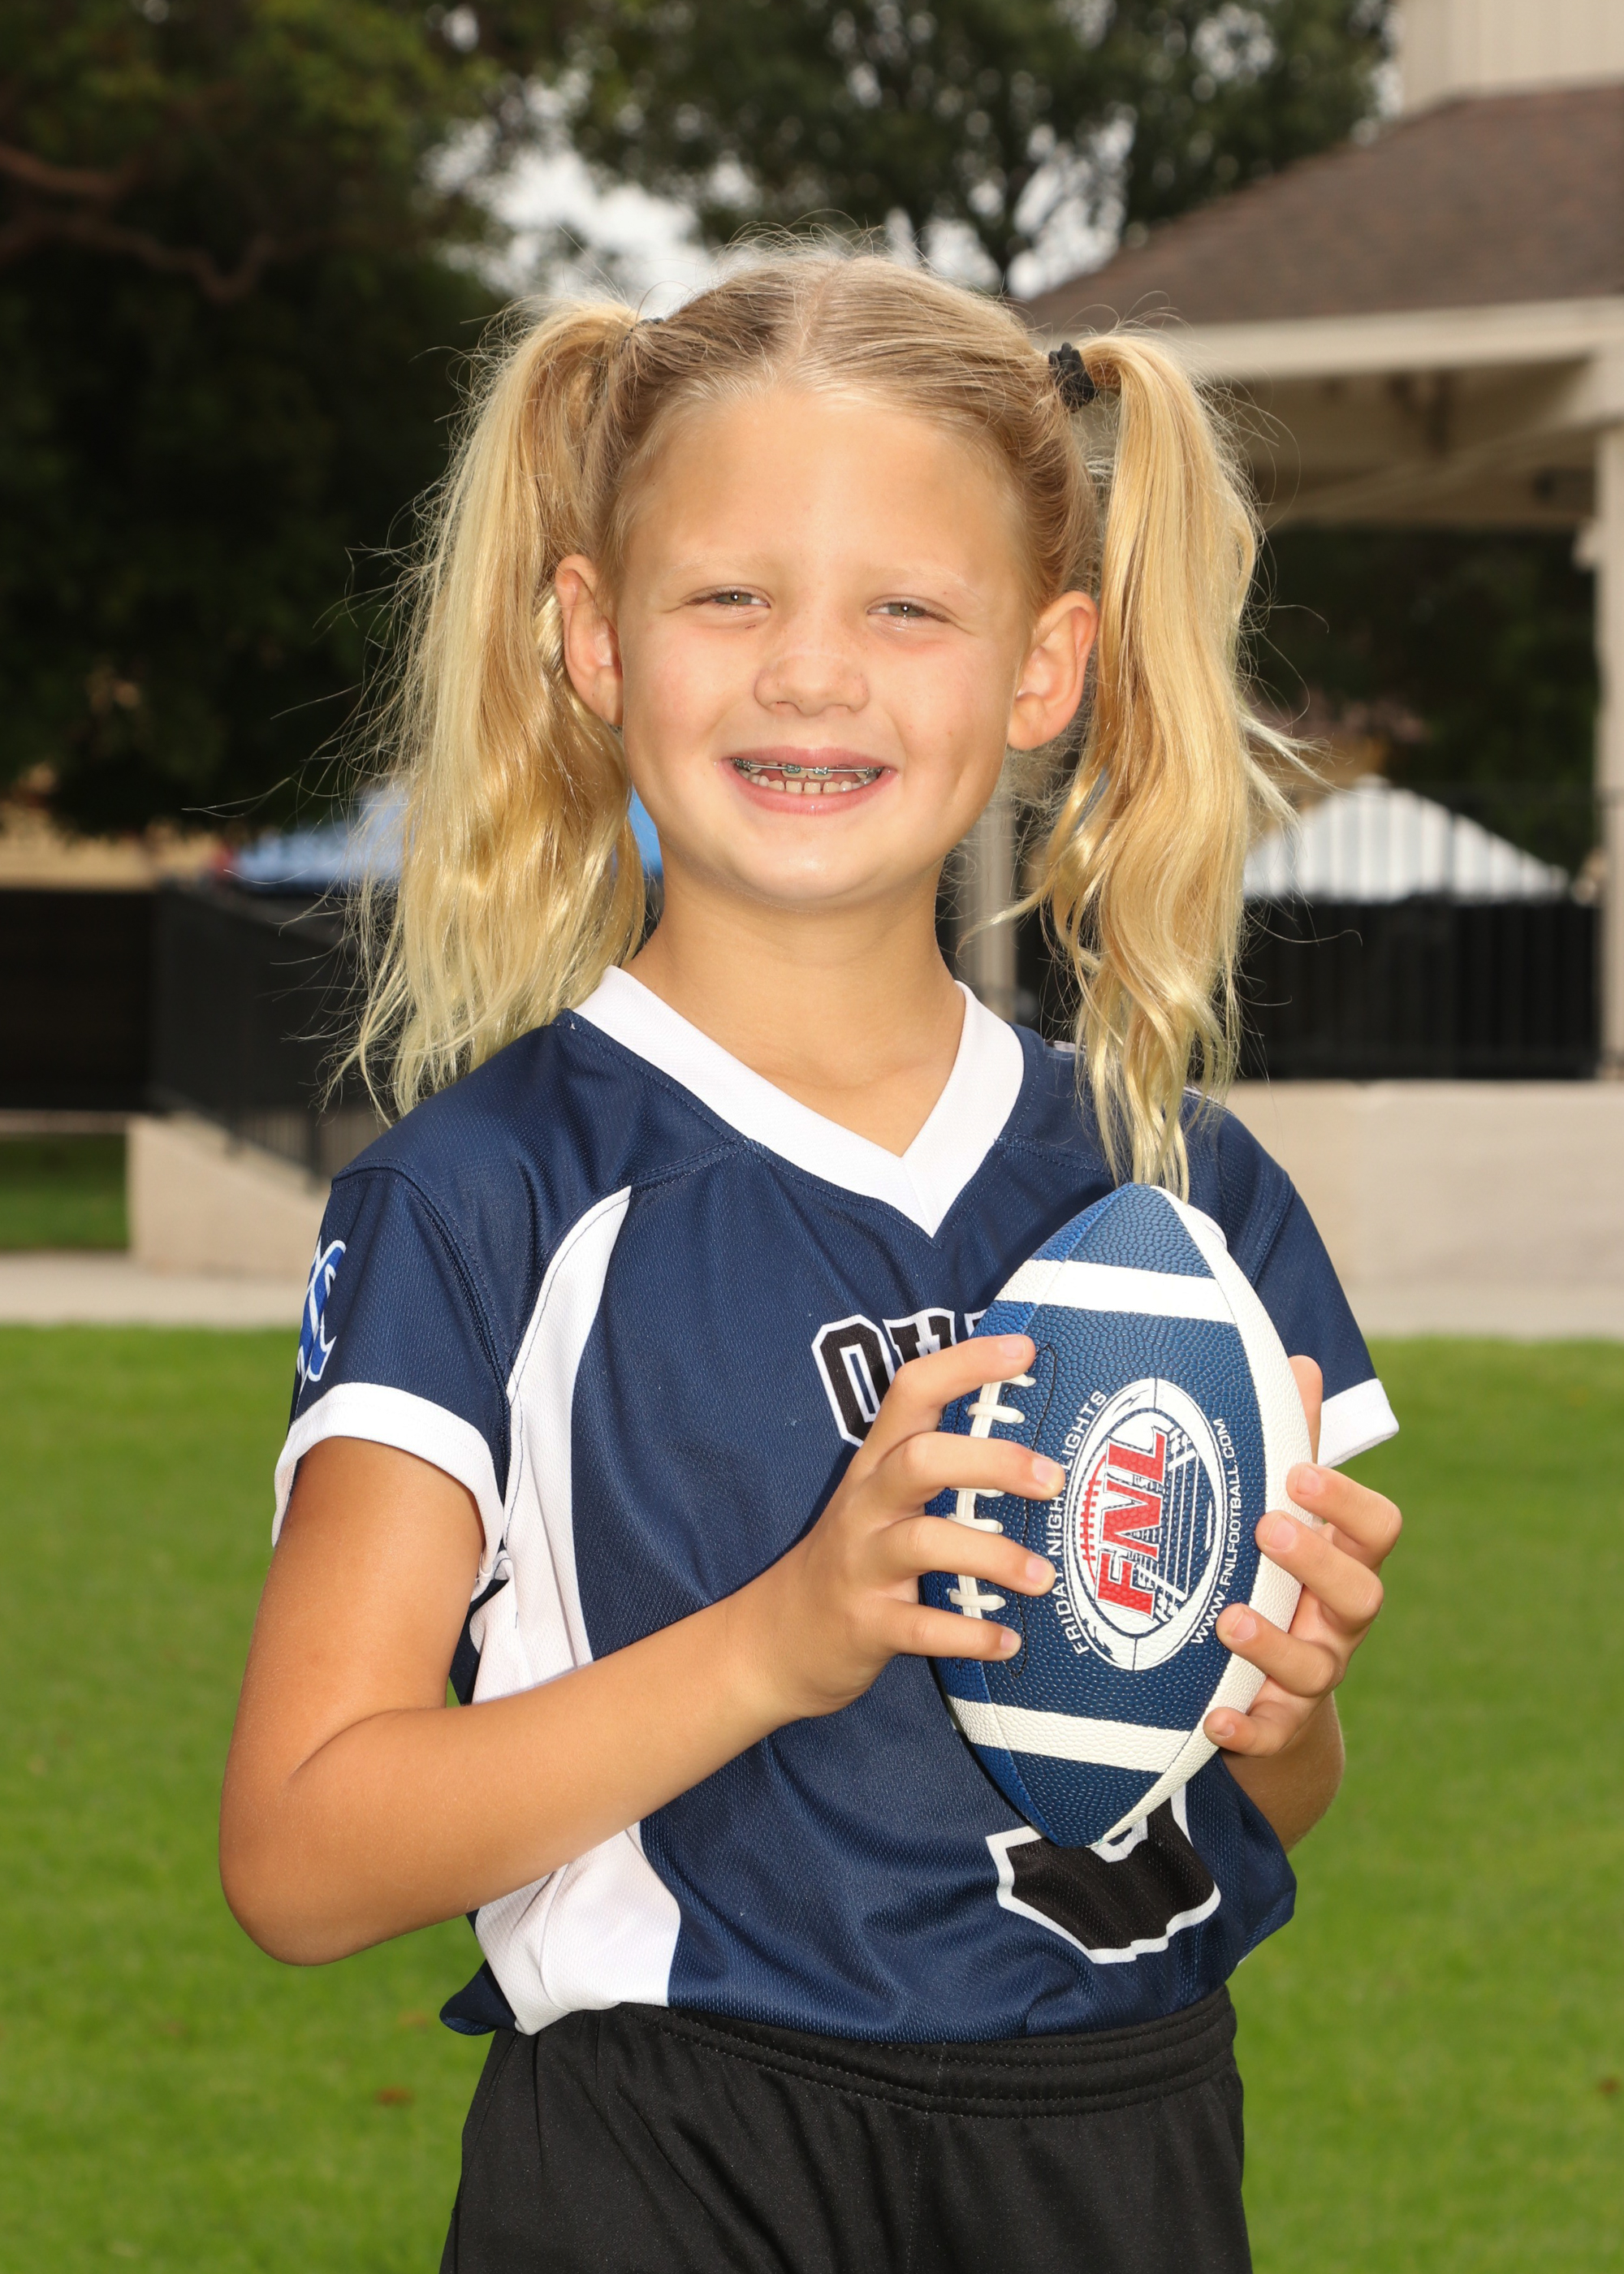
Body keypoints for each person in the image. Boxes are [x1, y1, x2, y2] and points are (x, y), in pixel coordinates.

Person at [221, 255, 1402, 2272]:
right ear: (593, 637)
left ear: (1043, 668)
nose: (811, 674)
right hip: (684, 2161)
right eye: (731, 596)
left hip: (1118, 2147)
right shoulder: (491, 1195)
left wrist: (1270, 1706)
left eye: (904, 609)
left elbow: (1258, 1803)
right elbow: (302, 1850)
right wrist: (781, 1637)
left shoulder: (1178, 1192)